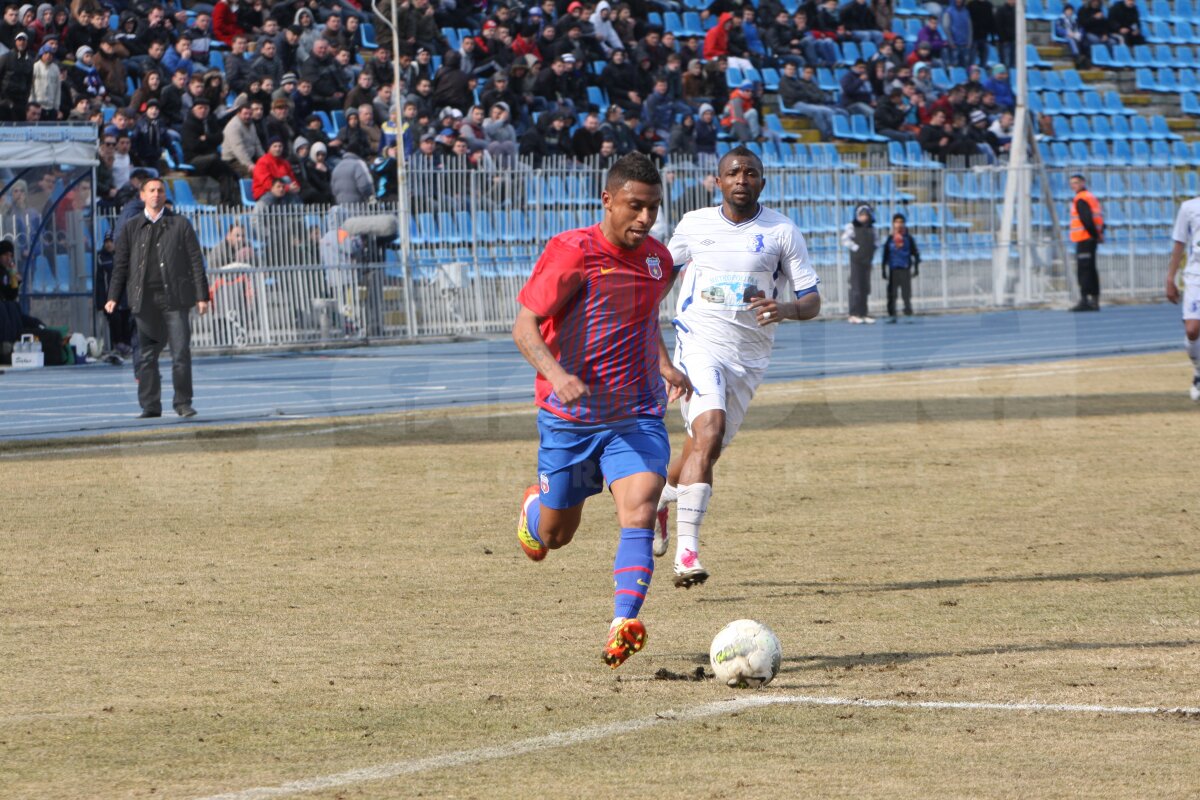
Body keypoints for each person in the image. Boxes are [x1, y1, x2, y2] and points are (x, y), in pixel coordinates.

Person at [511, 152, 691, 669]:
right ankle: (533, 510)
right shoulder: (571, 253)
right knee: (554, 536)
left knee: (640, 505)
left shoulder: (657, 260)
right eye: (635, 206)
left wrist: (664, 365)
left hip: (635, 414)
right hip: (569, 420)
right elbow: (525, 327)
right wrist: (557, 374)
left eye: (653, 209)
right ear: (607, 200)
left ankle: (623, 621)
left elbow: (643, 318)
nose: (645, 219)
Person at [653, 145, 820, 587]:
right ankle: (687, 555)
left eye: (750, 173)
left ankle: (660, 501)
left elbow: (812, 301)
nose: (741, 179)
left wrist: (784, 309)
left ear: (762, 182)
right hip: (699, 342)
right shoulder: (694, 224)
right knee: (708, 431)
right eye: (733, 173)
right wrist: (646, 327)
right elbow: (662, 277)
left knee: (703, 450)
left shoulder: (782, 231)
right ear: (718, 181)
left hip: (749, 356)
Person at [106, 177, 210, 418]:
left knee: (180, 352)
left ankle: (183, 402)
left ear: (164, 195)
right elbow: (120, 265)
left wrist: (201, 296)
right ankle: (150, 405)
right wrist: (113, 296)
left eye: (160, 190)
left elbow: (196, 261)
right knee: (147, 355)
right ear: (142, 195)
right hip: (144, 301)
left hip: (175, 299)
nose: (156, 194)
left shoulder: (180, 224)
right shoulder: (131, 227)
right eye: (151, 190)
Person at [1166, 193, 1200, 401]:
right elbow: (1179, 243)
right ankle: (1198, 371)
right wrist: (1170, 277)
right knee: (1192, 329)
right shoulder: (1189, 207)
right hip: (1196, 276)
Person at [93, 232, 133, 356]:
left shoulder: (123, 255)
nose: (109, 244)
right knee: (115, 320)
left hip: (125, 296)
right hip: (110, 297)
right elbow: (100, 282)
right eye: (107, 242)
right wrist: (101, 302)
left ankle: (127, 345)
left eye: (111, 241)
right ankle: (118, 344)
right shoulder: (101, 258)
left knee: (127, 320)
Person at [1068, 173, 1103, 312]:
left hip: (1084, 238)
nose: (1073, 186)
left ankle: (1085, 299)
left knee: (1084, 271)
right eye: (1072, 183)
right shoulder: (1091, 197)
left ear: (1082, 183)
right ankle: (1094, 299)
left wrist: (1094, 235)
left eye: (1076, 183)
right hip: (1090, 238)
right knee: (1091, 269)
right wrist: (1098, 235)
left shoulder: (1081, 199)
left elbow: (1087, 219)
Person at [881, 212, 920, 322]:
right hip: (893, 269)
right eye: (896, 222)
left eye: (901, 222)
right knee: (891, 294)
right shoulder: (890, 239)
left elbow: (915, 253)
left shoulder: (908, 238)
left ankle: (908, 313)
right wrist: (883, 270)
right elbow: (885, 255)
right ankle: (892, 315)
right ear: (893, 224)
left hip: (905, 268)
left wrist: (916, 267)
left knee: (906, 294)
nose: (899, 224)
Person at [842, 204, 876, 323]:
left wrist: (871, 251)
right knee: (856, 288)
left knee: (865, 288)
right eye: (861, 215)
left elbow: (876, 242)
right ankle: (853, 314)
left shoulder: (872, 228)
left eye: (866, 215)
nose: (864, 217)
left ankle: (863, 313)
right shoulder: (851, 226)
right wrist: (857, 248)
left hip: (867, 261)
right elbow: (845, 240)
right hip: (856, 262)